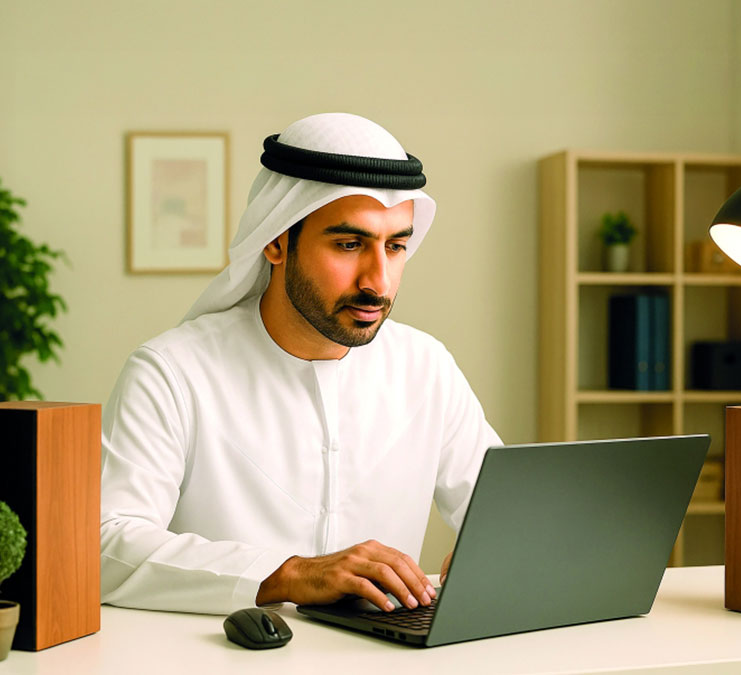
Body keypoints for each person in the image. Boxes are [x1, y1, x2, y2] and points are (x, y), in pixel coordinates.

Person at [99, 113, 502, 615]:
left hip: (387, 652)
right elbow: (107, 546)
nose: (378, 281)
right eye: (349, 245)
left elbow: (506, 513)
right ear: (275, 241)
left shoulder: (427, 368)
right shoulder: (172, 372)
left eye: (396, 246)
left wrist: (498, 552)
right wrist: (289, 574)